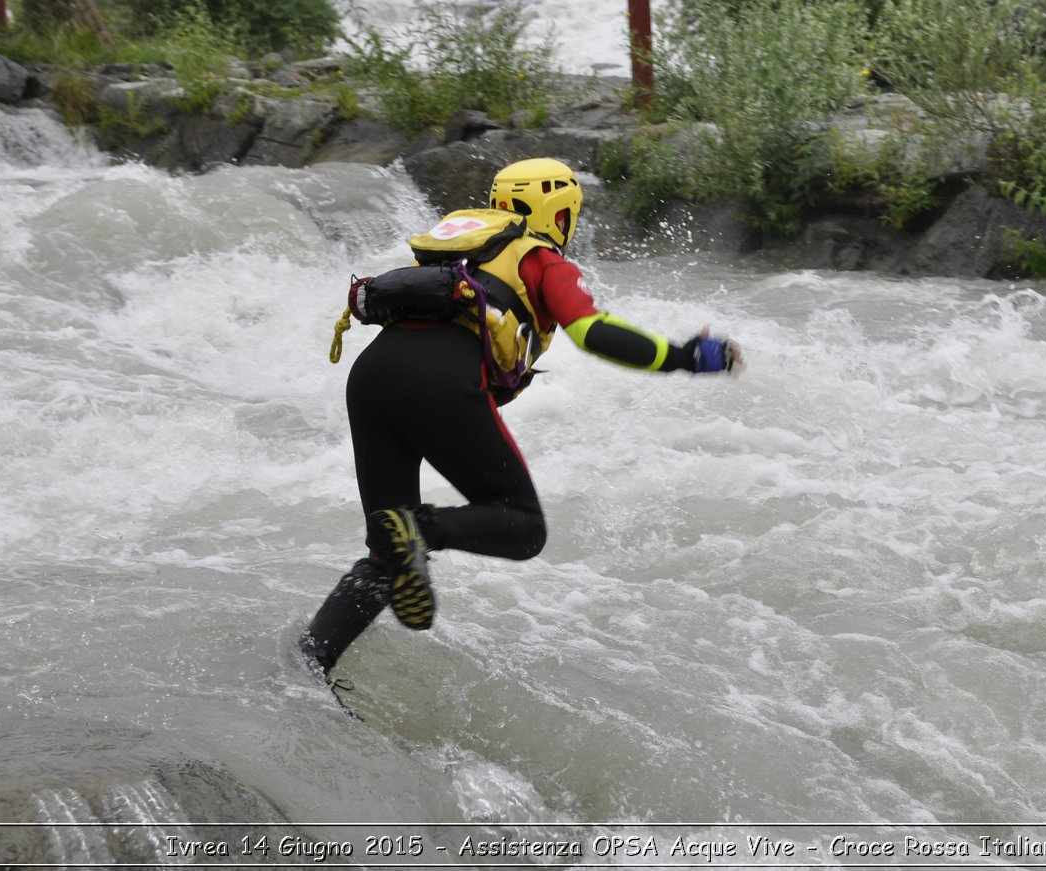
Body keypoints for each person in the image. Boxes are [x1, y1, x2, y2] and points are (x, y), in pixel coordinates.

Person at [302, 158, 741, 676]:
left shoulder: (459, 254)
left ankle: (307, 665)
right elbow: (591, 332)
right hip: (439, 384)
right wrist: (684, 357)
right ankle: (421, 528)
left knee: (385, 553)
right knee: (522, 525)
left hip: (370, 378)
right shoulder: (542, 260)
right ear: (559, 214)